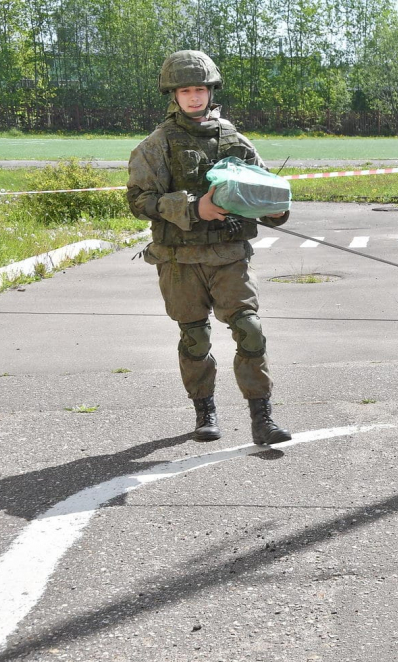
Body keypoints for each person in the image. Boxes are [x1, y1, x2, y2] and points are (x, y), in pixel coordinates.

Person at [127, 50, 292, 445]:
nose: (194, 97)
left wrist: (274, 210)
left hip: (229, 256)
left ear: (211, 90)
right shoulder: (158, 144)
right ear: (173, 94)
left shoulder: (235, 139)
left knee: (250, 330)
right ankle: (205, 412)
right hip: (179, 260)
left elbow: (263, 188)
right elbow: (138, 200)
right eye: (185, 90)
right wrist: (192, 207)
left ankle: (262, 418)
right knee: (195, 338)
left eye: (200, 88)